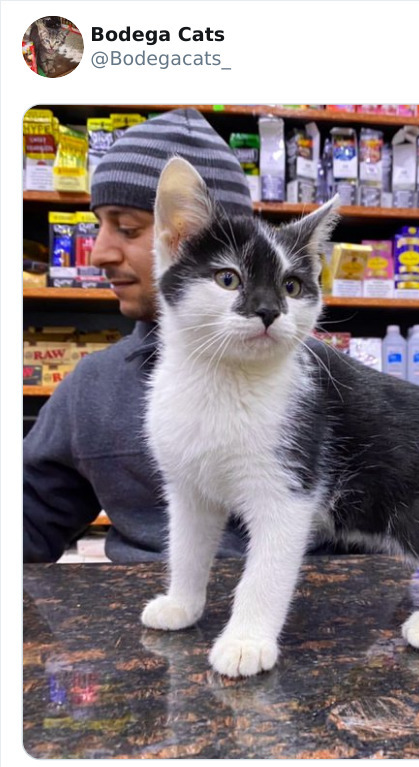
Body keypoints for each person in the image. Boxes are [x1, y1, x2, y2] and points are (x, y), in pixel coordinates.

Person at [23, 108, 255, 562]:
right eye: (99, 226)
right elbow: (28, 520)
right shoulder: (93, 388)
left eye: (127, 229)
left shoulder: (326, 385)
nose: (98, 254)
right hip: (143, 605)